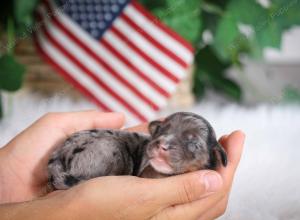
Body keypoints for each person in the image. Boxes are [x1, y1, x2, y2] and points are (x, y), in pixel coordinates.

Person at [0, 110, 245, 220]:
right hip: (88, 153)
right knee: (112, 152)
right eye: (163, 132)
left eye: (191, 142)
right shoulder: (139, 161)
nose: (164, 143)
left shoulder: (208, 160)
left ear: (216, 156)